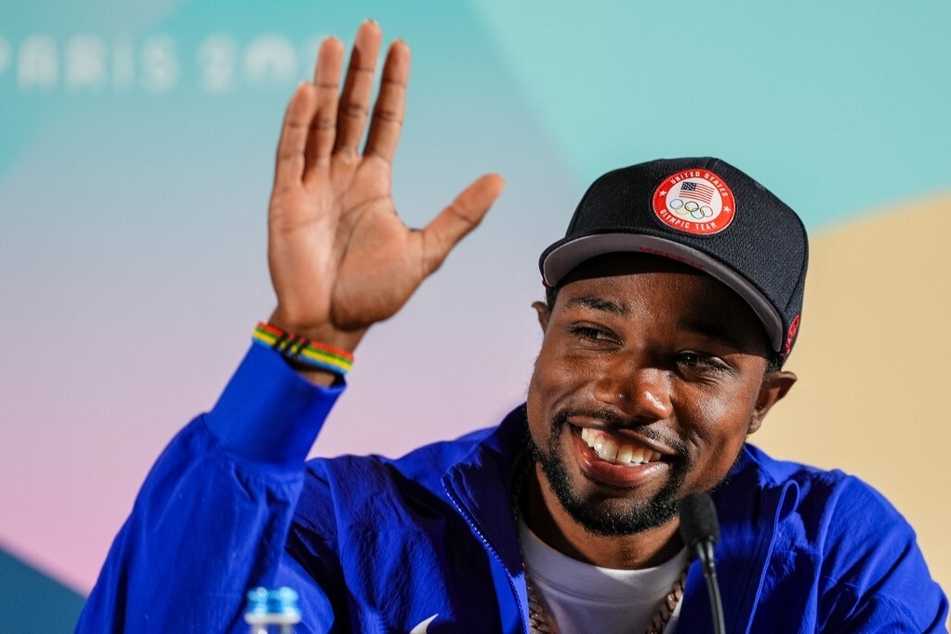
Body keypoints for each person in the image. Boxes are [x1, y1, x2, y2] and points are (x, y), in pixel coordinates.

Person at [76, 21, 948, 633]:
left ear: (762, 402)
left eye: (695, 361)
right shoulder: (357, 530)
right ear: (543, 333)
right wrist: (306, 344)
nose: (634, 391)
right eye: (597, 333)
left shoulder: (833, 554)